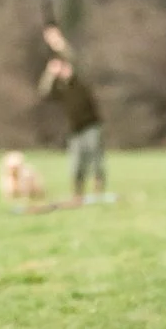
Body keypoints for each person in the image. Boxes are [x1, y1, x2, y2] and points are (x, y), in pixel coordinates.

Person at [38, 24, 108, 202]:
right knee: (76, 163)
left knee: (95, 158)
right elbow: (43, 93)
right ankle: (78, 192)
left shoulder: (80, 80)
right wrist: (49, 73)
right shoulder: (60, 88)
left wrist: (58, 42)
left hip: (91, 124)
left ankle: (99, 188)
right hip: (74, 129)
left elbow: (73, 59)